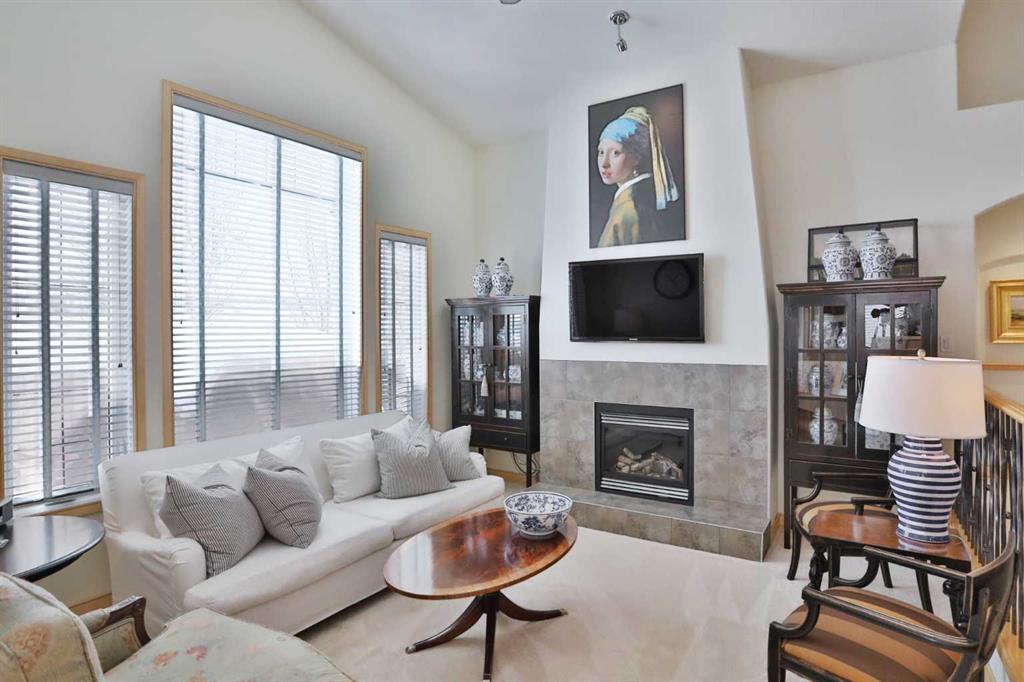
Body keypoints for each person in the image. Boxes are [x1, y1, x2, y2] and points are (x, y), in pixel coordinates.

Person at [595, 105, 679, 247]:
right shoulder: (633, 200)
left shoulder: (628, 209)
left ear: (636, 157)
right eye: (601, 152)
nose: (604, 163)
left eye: (615, 153)